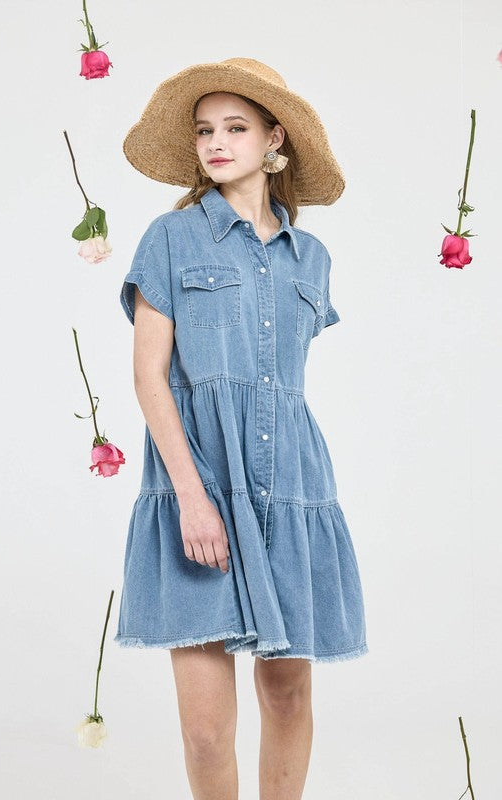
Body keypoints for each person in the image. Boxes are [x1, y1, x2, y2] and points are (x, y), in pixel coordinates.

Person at [114, 57, 368, 800]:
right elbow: (148, 376)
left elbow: (279, 387)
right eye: (203, 131)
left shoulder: (309, 258)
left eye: (234, 128)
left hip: (290, 486)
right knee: (204, 729)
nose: (215, 143)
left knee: (287, 695)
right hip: (198, 484)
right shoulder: (170, 238)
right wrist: (192, 498)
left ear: (273, 138)